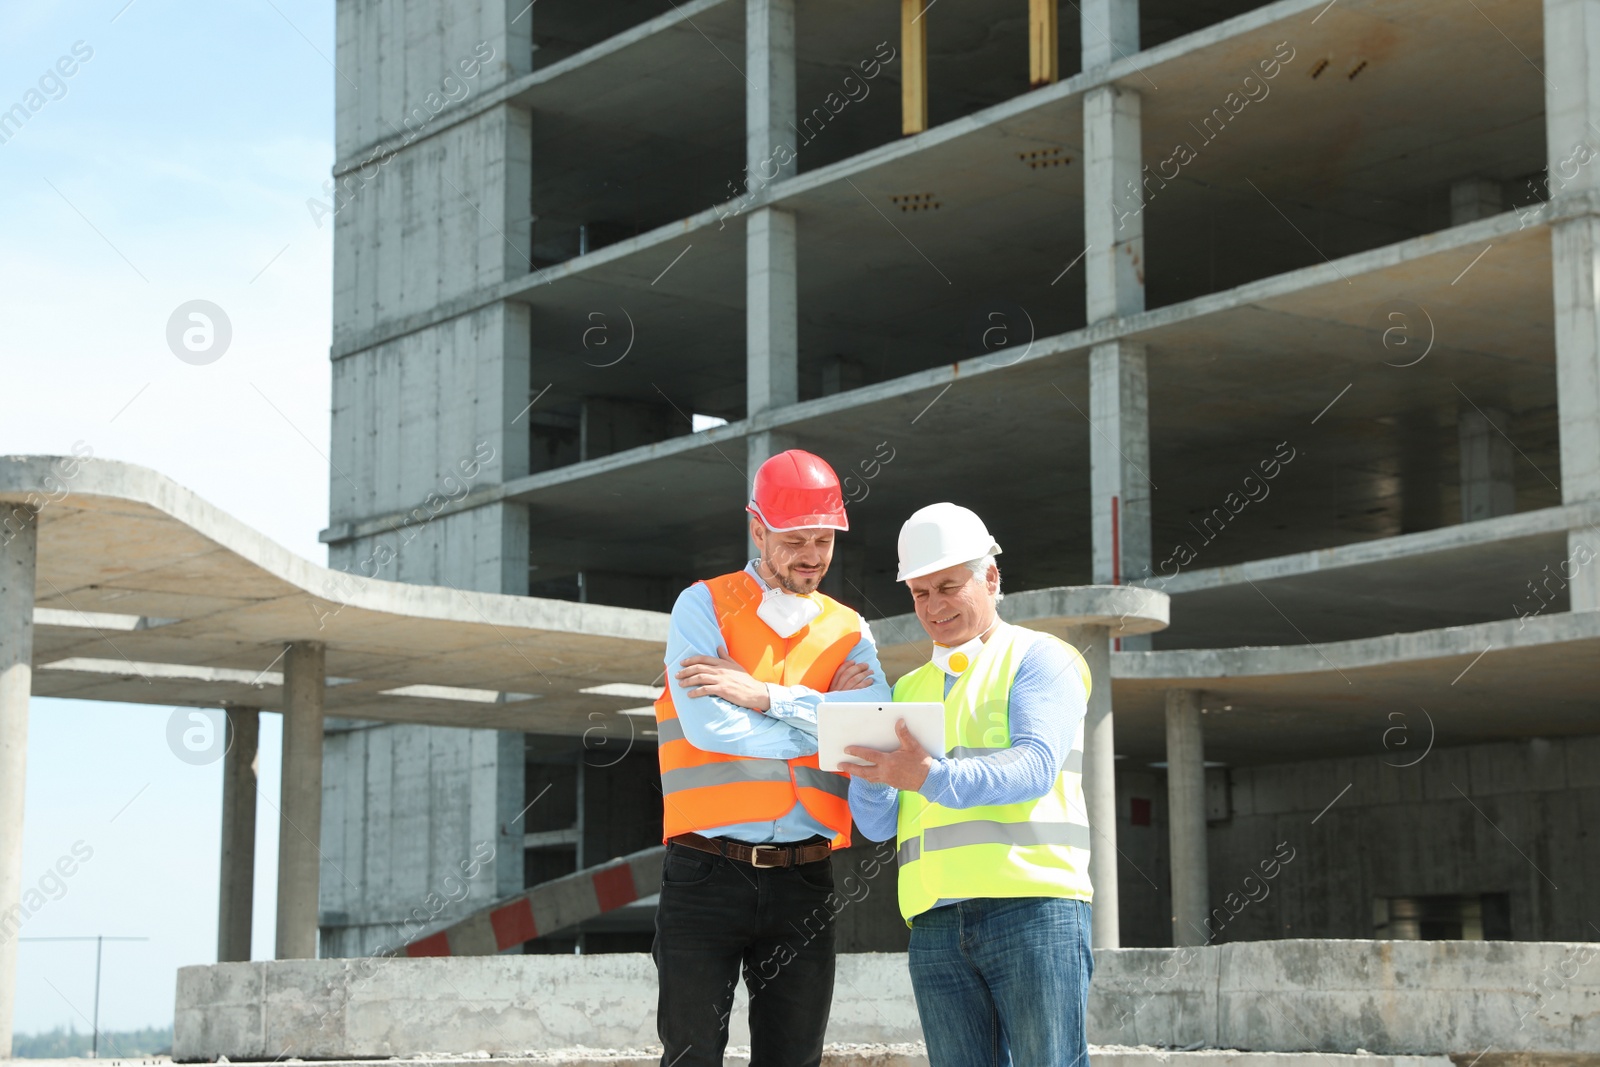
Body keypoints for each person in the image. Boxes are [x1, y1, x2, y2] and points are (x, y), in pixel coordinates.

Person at [651, 448, 892, 1067]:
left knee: (794, 1059)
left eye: (824, 539)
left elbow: (873, 733)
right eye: (794, 540)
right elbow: (711, 729)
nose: (813, 555)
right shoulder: (701, 606)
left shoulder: (851, 630)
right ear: (757, 529)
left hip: (806, 880)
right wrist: (822, 717)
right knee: (691, 1057)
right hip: (705, 873)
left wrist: (763, 696)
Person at [841, 502, 1095, 1067]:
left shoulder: (1040, 659)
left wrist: (928, 776)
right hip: (934, 924)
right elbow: (878, 825)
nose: (933, 607)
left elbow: (1033, 767)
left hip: (1032, 908)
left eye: (948, 587)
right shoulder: (905, 690)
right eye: (921, 593)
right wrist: (868, 773)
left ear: (991, 577)